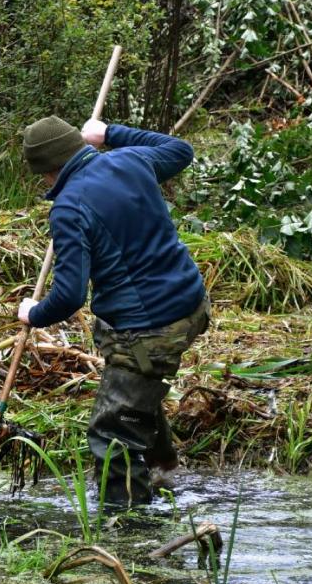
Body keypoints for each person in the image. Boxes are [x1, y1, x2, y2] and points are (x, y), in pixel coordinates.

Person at [17, 115, 210, 505]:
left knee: (111, 433)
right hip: (191, 303)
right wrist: (110, 134)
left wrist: (33, 314)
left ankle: (128, 530)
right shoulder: (131, 160)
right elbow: (180, 150)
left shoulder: (69, 208)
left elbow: (70, 295)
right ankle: (164, 473)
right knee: (136, 392)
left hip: (150, 329)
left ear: (46, 173)